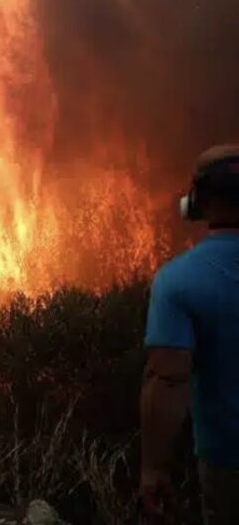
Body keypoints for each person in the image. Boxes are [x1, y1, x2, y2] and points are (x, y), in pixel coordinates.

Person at [142, 145, 239, 524]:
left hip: (228, 465)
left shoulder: (177, 281)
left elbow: (167, 380)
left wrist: (153, 469)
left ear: (196, 201)